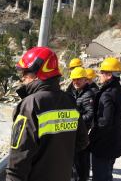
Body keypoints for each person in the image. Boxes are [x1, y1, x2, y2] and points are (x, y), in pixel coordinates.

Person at [6, 47, 89, 181]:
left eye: (26, 72)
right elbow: (82, 141)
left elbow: (18, 162)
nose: (23, 77)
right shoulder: (69, 100)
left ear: (37, 74)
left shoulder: (30, 104)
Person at [89, 57, 121, 181]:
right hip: (113, 142)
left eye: (102, 72)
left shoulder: (107, 94)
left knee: (100, 176)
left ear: (109, 75)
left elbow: (105, 121)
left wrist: (92, 137)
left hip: (103, 145)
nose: (100, 74)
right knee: (107, 174)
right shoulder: (119, 91)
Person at [69, 67, 98, 181]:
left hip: (82, 132)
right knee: (76, 159)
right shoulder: (75, 92)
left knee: (82, 159)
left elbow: (90, 114)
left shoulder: (88, 94)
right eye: (74, 79)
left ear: (85, 80)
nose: (75, 82)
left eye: (79, 79)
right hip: (75, 131)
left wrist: (75, 121)